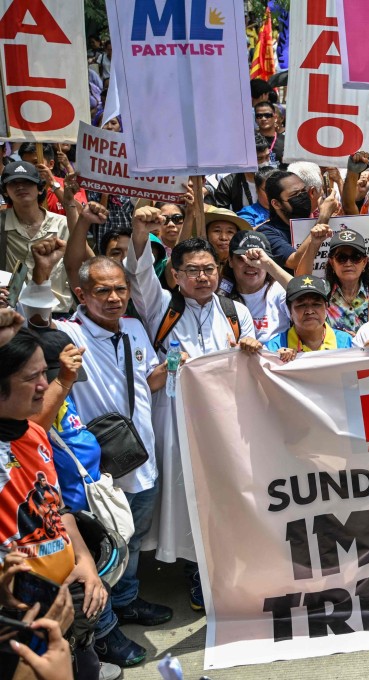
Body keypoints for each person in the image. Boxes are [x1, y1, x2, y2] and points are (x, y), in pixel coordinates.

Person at [21, 241, 176, 669]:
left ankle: (126, 602)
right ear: (81, 293)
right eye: (102, 291)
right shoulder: (68, 333)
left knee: (132, 542)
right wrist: (40, 271)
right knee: (101, 555)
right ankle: (103, 632)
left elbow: (148, 382)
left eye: (120, 290)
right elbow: (32, 320)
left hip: (141, 464)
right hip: (94, 474)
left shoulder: (136, 328)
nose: (113, 298)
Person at [124, 207, 260, 613]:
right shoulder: (161, 309)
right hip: (175, 424)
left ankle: (226, 571)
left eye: (208, 269)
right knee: (186, 499)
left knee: (227, 496)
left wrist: (255, 352)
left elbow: (257, 367)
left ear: (219, 272)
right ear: (176, 276)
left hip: (227, 424)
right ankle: (197, 571)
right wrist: (139, 233)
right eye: (192, 271)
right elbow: (139, 275)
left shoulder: (236, 313)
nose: (202, 277)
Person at [0, 329, 108, 680]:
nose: (44, 385)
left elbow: (57, 509)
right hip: (21, 623)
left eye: (43, 373)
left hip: (69, 611)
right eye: (31, 377)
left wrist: (86, 562)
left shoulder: (33, 432)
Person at [0, 162, 77, 313]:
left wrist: (69, 204)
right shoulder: (1, 224)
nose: (20, 187)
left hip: (57, 315)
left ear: (40, 188)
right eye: (13, 183)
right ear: (6, 191)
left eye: (27, 182)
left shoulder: (63, 224)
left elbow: (85, 261)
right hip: (14, 314)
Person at [295, 228, 369, 337]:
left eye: (355, 257)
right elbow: (300, 284)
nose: (348, 263)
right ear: (332, 263)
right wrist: (314, 243)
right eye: (341, 258)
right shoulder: (322, 290)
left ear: (365, 262)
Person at [219, 231, 292, 343]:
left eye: (257, 258)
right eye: (241, 258)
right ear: (230, 261)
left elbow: (306, 294)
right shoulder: (219, 292)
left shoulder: (280, 291)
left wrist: (268, 265)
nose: (250, 264)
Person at [256, 171, 334, 272]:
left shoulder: (312, 222)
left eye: (303, 191)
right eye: (295, 194)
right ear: (276, 203)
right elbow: (295, 262)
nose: (302, 196)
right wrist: (324, 216)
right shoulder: (267, 232)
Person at [265, 275, 354, 360]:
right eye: (301, 305)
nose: (309, 311)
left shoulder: (347, 342)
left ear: (326, 307)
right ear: (290, 311)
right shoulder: (274, 347)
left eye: (316, 304)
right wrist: (274, 360)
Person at [253, 101, 285, 167]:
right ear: (255, 119)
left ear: (275, 118)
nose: (263, 119)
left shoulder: (286, 142)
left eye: (267, 115)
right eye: (259, 116)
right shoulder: (250, 142)